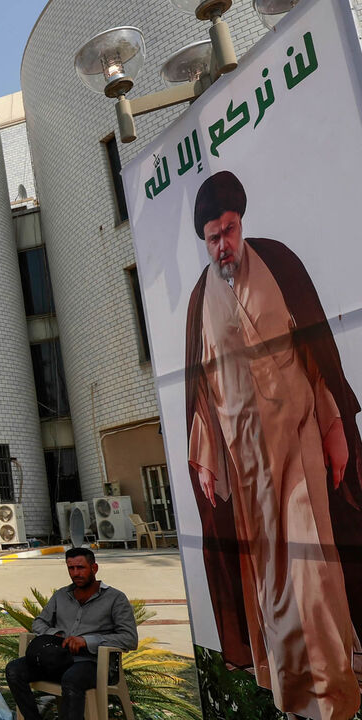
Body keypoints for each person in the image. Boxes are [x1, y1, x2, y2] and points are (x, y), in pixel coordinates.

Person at [184, 171, 362, 720]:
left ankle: (335, 693)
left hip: (301, 439)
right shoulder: (199, 300)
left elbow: (316, 353)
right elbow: (200, 391)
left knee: (313, 566)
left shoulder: (279, 265)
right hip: (246, 464)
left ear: (242, 222)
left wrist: (334, 428)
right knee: (274, 581)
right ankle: (294, 696)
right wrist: (206, 460)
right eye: (213, 236)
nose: (224, 244)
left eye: (229, 230)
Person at [5, 548, 137, 720]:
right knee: (14, 670)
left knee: (72, 679)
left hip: (93, 664)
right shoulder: (61, 595)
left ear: (94, 568)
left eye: (81, 567)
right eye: (71, 568)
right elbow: (39, 622)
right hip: (57, 660)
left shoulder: (115, 599)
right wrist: (56, 635)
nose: (76, 573)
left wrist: (87, 641)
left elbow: (130, 639)